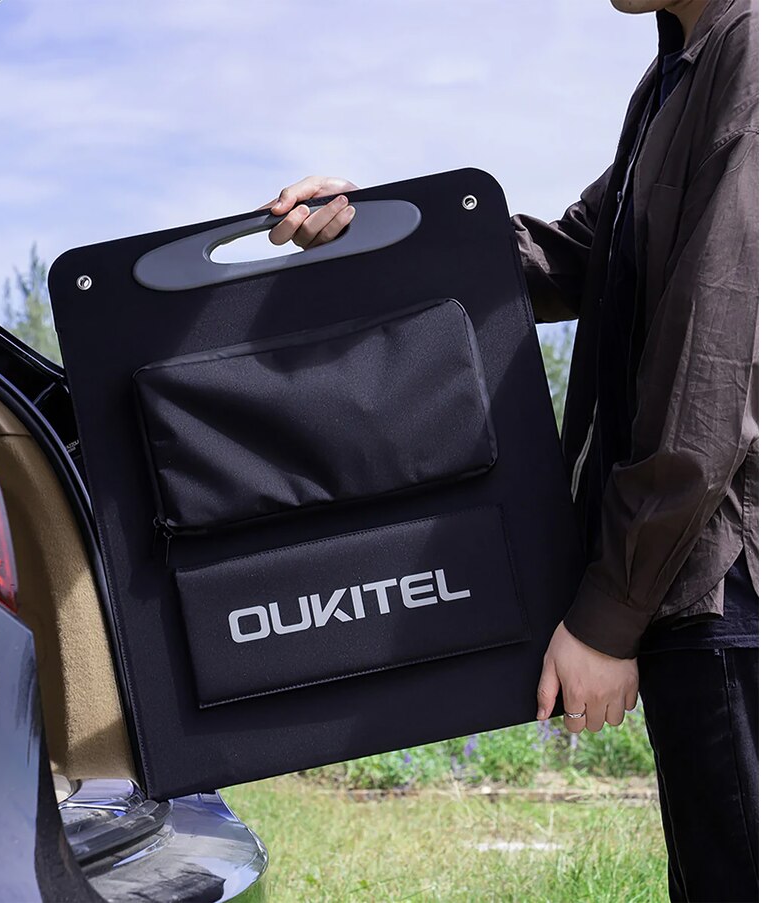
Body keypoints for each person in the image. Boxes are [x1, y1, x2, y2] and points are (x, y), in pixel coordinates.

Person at [262, 1, 758, 900]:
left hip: (731, 584)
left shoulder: (753, 54)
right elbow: (571, 254)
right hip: (697, 591)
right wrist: (370, 228)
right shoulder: (674, 75)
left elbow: (711, 372)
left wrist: (610, 610)